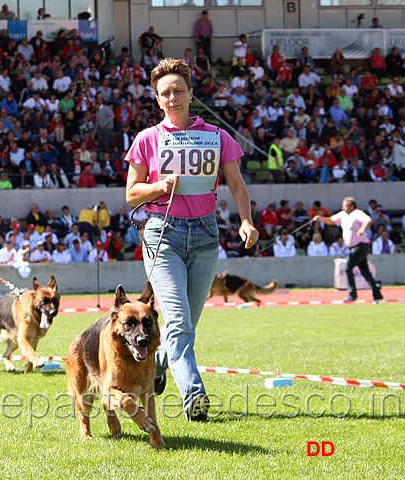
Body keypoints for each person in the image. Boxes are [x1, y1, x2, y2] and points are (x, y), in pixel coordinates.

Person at [125, 58, 258, 421]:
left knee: (187, 323)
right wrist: (157, 186)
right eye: (164, 93)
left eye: (178, 91)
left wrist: (246, 221)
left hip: (204, 235)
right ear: (157, 99)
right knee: (179, 320)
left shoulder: (216, 137)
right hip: (161, 234)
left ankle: (159, 365)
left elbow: (237, 185)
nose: (172, 97)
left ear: (190, 94)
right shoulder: (147, 139)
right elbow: (131, 194)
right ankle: (195, 397)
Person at [313, 197, 383, 303]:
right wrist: (321, 219)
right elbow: (331, 220)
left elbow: (368, 221)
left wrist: (363, 228)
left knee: (348, 268)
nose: (343, 208)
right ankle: (377, 295)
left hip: (361, 245)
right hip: (353, 247)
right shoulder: (342, 215)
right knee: (365, 272)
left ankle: (352, 294)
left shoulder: (357, 213)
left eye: (345, 206)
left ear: (351, 206)